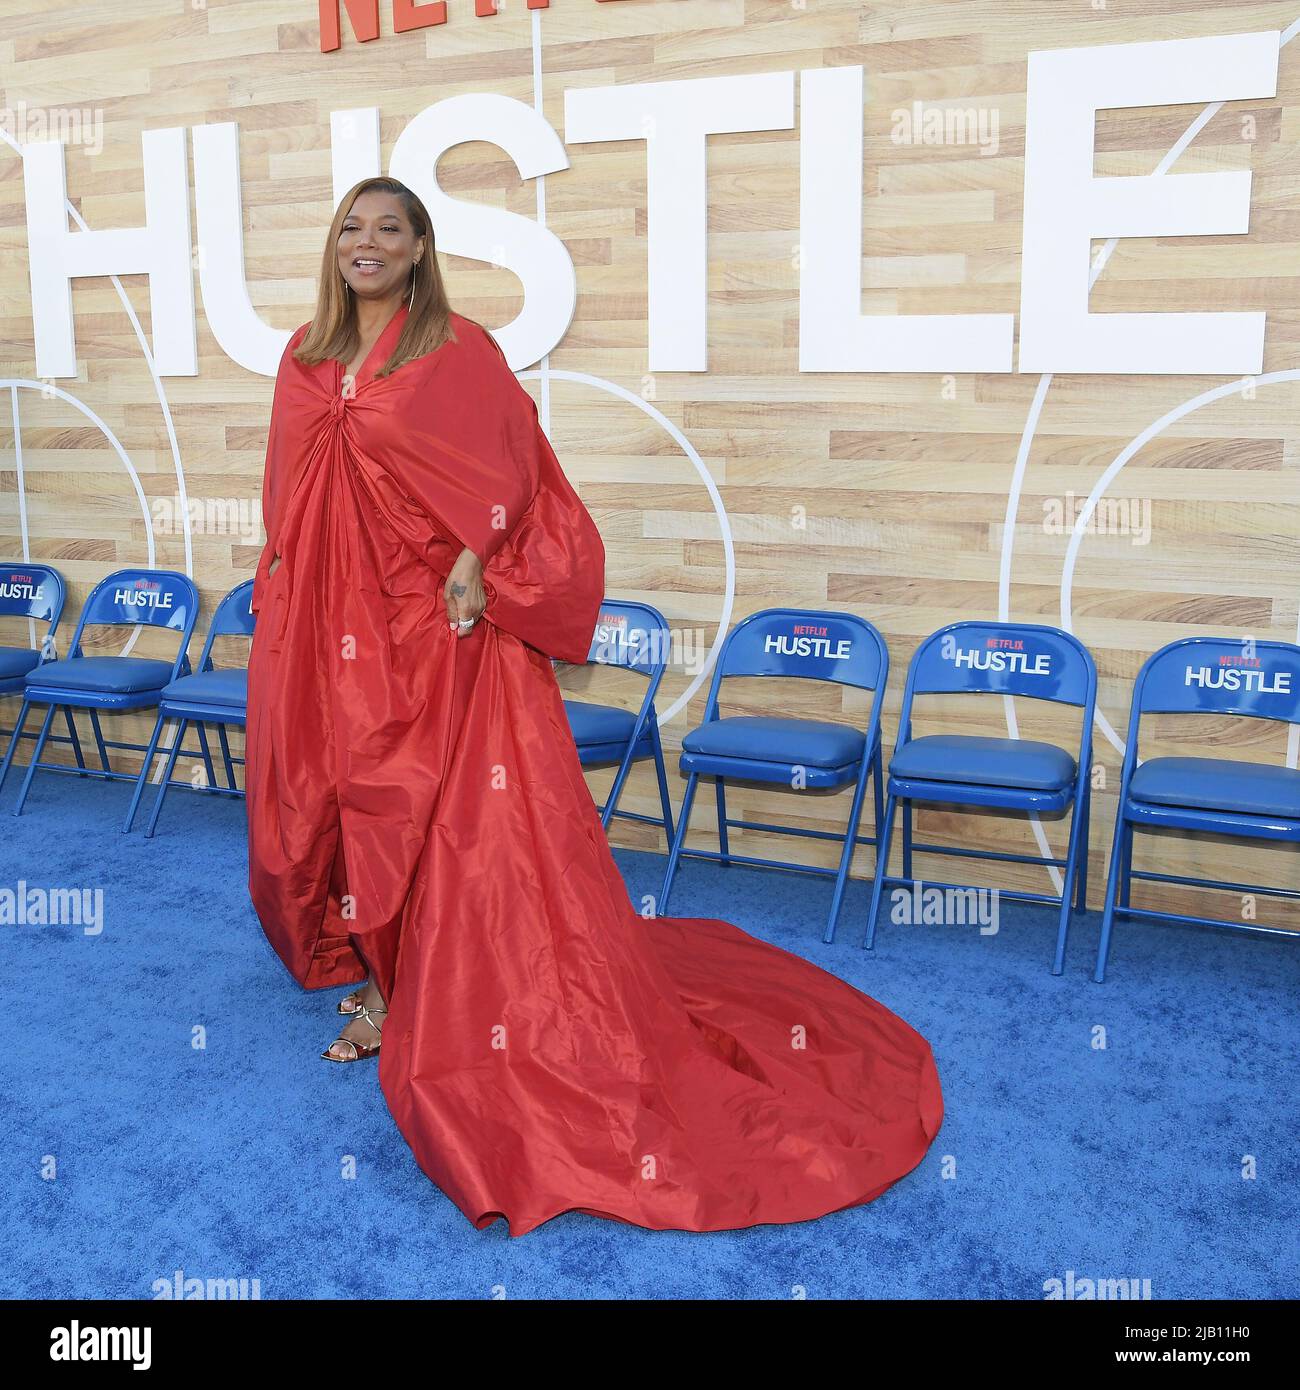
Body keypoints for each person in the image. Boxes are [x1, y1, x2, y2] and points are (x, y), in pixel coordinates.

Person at [246, 176, 943, 1236]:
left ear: (422, 247)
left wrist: (480, 562)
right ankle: (391, 982)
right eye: (352, 225)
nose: (368, 242)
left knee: (444, 821)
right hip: (332, 634)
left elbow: (510, 474)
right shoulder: (305, 356)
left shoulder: (456, 350)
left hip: (439, 630)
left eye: (390, 228)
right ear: (333, 244)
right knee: (349, 801)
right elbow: (291, 494)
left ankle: (428, 1001)